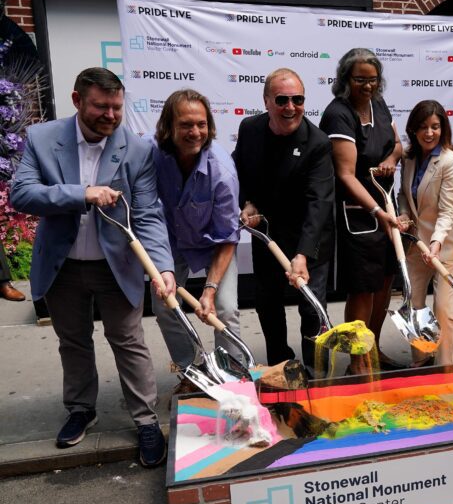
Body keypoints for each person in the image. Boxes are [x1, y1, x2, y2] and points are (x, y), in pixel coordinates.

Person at [10, 67, 174, 467]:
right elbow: (22, 193)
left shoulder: (137, 149)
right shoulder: (43, 138)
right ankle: (81, 409)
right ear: (77, 100)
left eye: (117, 107)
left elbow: (149, 213)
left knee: (129, 340)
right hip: (62, 265)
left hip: (116, 264)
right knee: (73, 341)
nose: (110, 115)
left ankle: (146, 420)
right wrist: (81, 193)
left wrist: (163, 268)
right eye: (101, 106)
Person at [234, 68, 335, 373]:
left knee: (311, 308)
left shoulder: (317, 142)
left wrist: (302, 254)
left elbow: (319, 203)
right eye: (282, 100)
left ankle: (317, 370)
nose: (291, 107)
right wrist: (246, 203)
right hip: (267, 234)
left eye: (298, 99)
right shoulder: (250, 129)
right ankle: (282, 366)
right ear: (266, 101)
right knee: (267, 304)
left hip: (309, 238)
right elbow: (238, 173)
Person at [320, 49, 403, 369]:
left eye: (373, 80)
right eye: (360, 80)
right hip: (356, 214)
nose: (367, 86)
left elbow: (398, 145)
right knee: (363, 288)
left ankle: (374, 349)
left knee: (384, 282)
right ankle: (358, 361)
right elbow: (345, 174)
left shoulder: (378, 106)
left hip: (386, 206)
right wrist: (377, 213)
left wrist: (390, 160)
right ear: (345, 80)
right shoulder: (338, 114)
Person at [149, 89, 241, 371]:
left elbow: (227, 237)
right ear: (168, 127)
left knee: (224, 308)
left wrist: (209, 291)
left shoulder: (222, 172)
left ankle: (230, 374)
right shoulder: (150, 154)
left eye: (201, 124)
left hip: (213, 244)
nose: (195, 132)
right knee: (165, 305)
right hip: (171, 243)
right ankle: (191, 370)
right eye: (186, 125)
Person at [396, 100, 453, 367]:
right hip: (415, 243)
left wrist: (436, 243)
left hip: (444, 244)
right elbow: (404, 195)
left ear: (443, 128)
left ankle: (446, 368)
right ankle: (422, 361)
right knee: (414, 304)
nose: (429, 133)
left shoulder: (450, 161)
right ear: (413, 129)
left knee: (444, 308)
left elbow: (447, 211)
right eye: (423, 127)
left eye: (435, 127)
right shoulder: (409, 158)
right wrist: (402, 215)